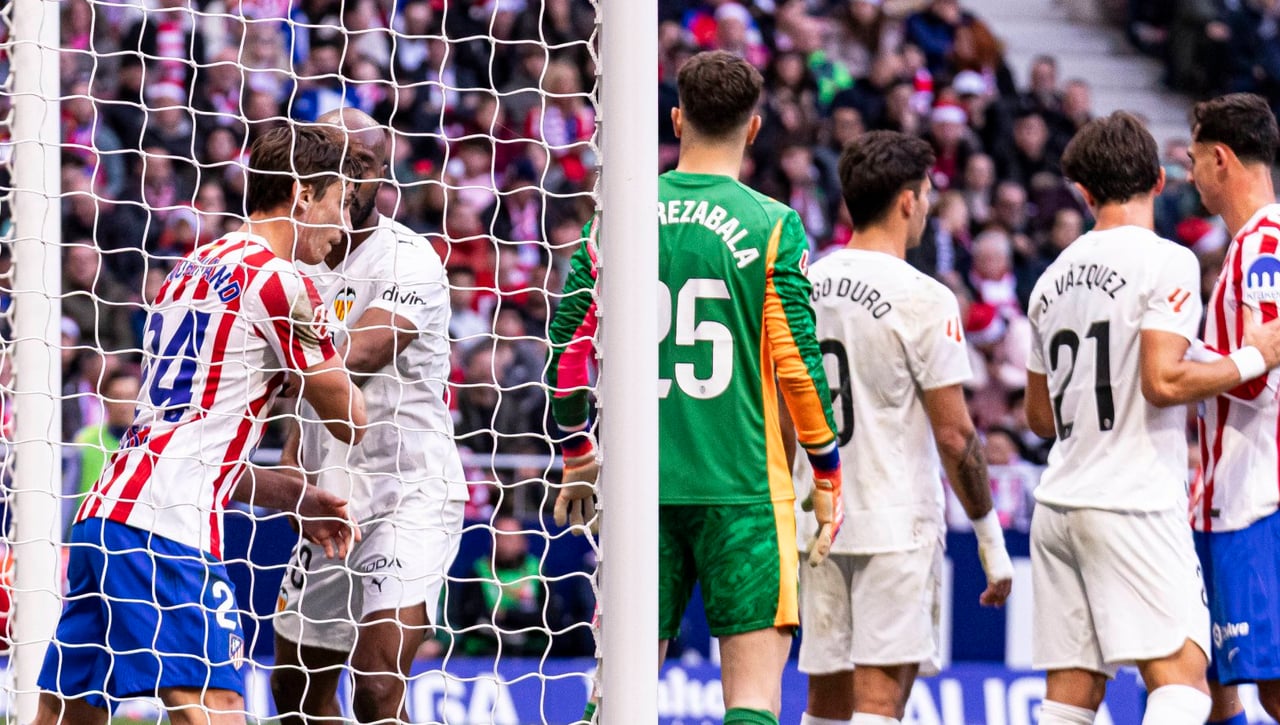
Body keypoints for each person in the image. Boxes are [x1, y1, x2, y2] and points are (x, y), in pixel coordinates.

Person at [34, 123, 370, 725]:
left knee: (67, 713)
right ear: (302, 194)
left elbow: (191, 435)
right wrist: (325, 340)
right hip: (169, 528)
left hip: (107, 517)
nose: (343, 225)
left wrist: (290, 494)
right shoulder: (280, 282)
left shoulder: (189, 269)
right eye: (341, 202)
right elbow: (351, 421)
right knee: (218, 705)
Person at [546, 50, 844, 725]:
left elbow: (568, 343)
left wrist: (575, 448)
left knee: (619, 693)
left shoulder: (615, 214)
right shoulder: (772, 224)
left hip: (637, 485)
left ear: (677, 119)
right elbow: (797, 362)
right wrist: (826, 473)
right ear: (756, 128)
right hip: (740, 485)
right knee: (751, 699)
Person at [1024, 109, 1280, 725]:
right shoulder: (1168, 260)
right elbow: (1163, 379)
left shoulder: (1047, 281)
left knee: (1071, 695)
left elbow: (1038, 417)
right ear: (1158, 182)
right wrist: (1253, 355)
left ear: (1082, 193)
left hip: (1059, 502)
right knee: (1185, 685)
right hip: (1137, 498)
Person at [794, 130, 1013, 725]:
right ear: (908, 202)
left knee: (825, 701)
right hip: (893, 522)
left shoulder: (800, 285)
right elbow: (956, 436)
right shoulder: (925, 297)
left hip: (817, 517)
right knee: (880, 704)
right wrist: (991, 542)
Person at [271, 108, 468, 724]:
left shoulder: (409, 260)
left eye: (354, 163)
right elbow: (313, 394)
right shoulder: (297, 257)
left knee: (379, 688)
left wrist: (271, 361)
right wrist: (291, 451)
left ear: (376, 173)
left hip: (410, 490)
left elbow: (366, 351)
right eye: (328, 161)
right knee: (296, 692)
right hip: (334, 497)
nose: (340, 177)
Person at [1185, 93, 1280, 725]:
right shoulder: (1257, 244)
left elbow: (1260, 374)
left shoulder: (1260, 247)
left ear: (1220, 159)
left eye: (1194, 159)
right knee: (1210, 684)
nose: (1189, 174)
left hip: (1251, 496)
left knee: (1265, 686)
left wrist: (1169, 359)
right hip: (1229, 493)